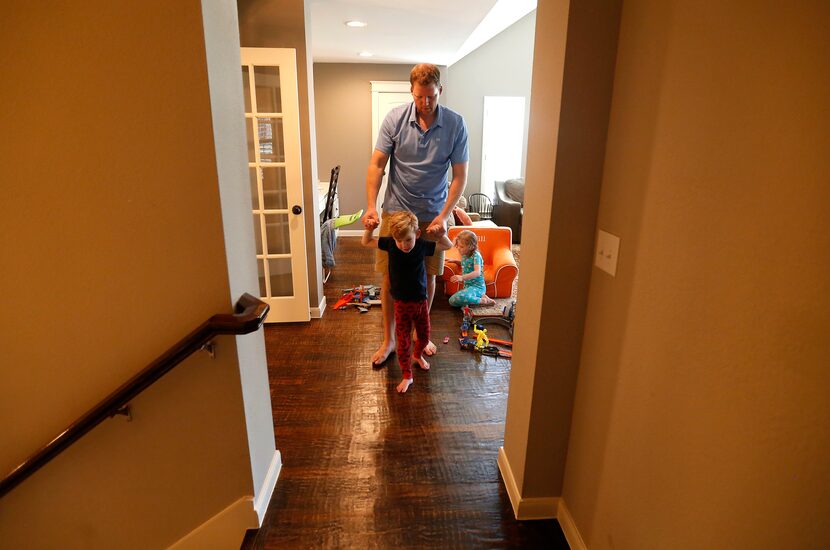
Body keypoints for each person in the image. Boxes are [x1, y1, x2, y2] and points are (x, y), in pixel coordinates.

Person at [363, 63, 469, 366]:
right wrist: (371, 205)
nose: (426, 103)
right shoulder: (395, 119)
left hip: (433, 215)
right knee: (389, 277)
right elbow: (377, 165)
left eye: (431, 97)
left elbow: (459, 176)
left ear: (440, 92)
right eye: (420, 97)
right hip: (395, 212)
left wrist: (445, 215)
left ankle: (421, 335)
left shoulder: (455, 124)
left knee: (429, 274)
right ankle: (390, 339)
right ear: (412, 91)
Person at [362, 211, 453, 393]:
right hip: (402, 305)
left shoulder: (421, 245)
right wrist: (370, 230)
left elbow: (447, 245)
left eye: (408, 240)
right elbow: (366, 242)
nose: (404, 245)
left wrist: (440, 234)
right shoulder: (390, 244)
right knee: (402, 343)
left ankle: (417, 355)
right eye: (399, 240)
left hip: (421, 303)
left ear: (417, 234)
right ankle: (407, 375)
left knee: (424, 337)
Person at [446, 230, 496, 308]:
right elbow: (467, 264)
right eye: (458, 246)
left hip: (477, 287)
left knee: (457, 299)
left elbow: (477, 272)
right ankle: (479, 298)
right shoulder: (465, 255)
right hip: (467, 287)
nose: (458, 248)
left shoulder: (476, 256)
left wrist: (461, 277)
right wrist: (455, 261)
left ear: (471, 246)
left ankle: (484, 300)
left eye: (461, 246)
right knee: (451, 301)